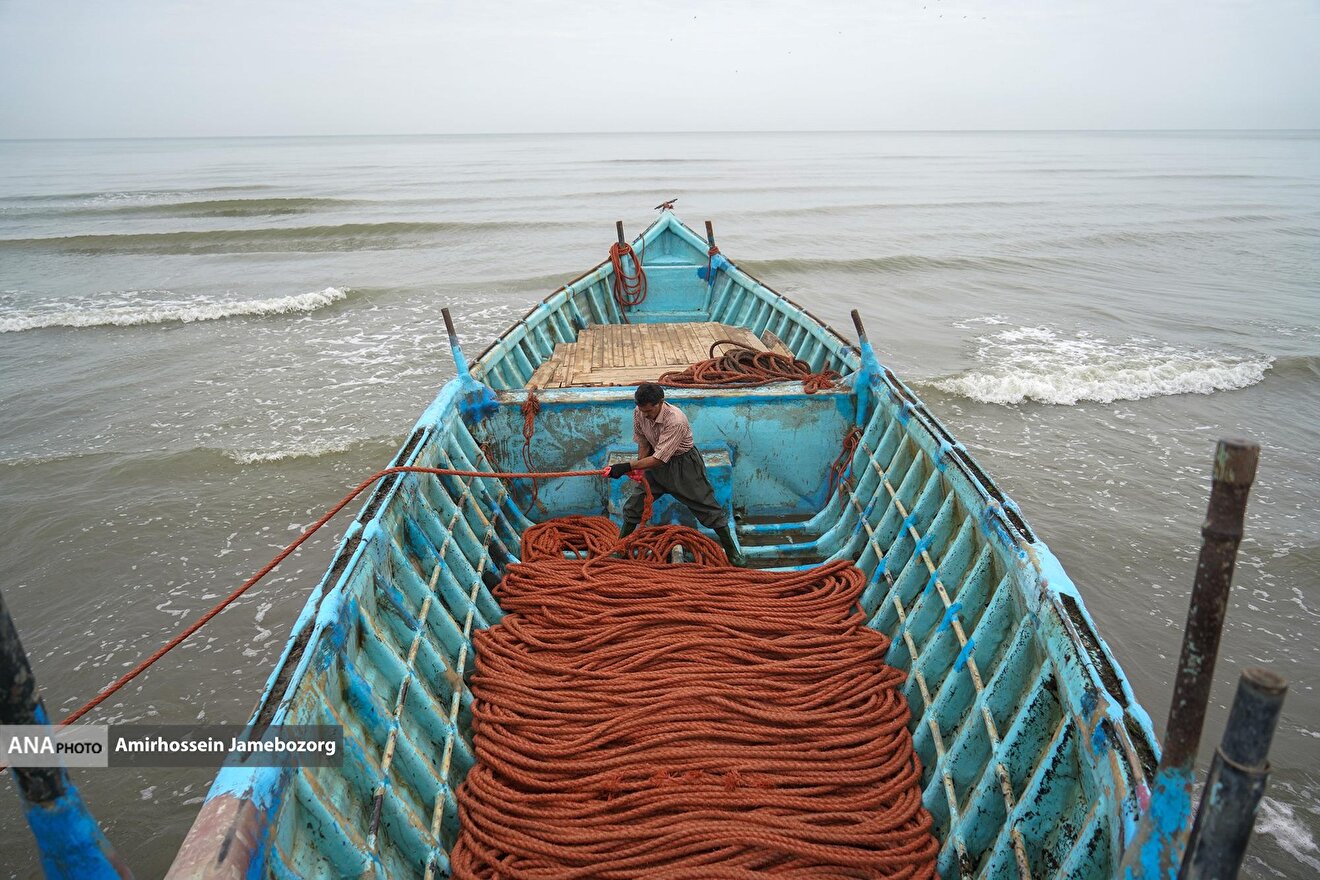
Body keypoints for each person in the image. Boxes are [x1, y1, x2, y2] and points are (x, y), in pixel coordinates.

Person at [606, 382, 746, 566]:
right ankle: (621, 547)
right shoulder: (639, 412)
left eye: (649, 411)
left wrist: (626, 466)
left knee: (707, 507)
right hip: (654, 464)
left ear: (661, 403)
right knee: (635, 505)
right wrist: (640, 468)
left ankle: (731, 551)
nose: (645, 415)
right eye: (642, 411)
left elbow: (660, 459)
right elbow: (644, 443)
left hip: (683, 466)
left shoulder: (676, 421)